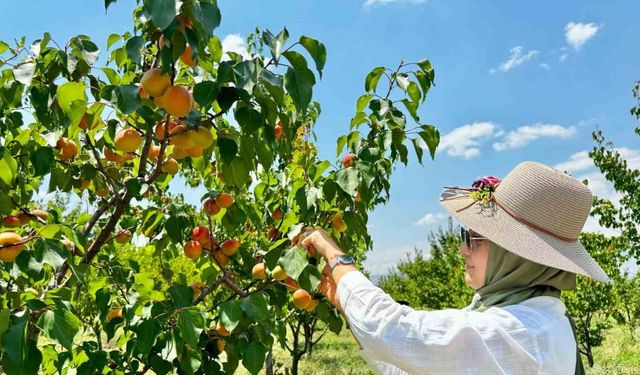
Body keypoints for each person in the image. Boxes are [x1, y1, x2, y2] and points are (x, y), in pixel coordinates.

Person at [297, 161, 609, 375]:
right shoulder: (518, 315)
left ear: (516, 254)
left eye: (473, 237)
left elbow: (399, 332)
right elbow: (415, 362)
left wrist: (336, 257)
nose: (462, 248)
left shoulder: (526, 332)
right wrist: (342, 302)